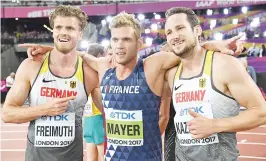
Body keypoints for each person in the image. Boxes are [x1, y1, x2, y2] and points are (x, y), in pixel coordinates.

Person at [20, 11, 243, 161]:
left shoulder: (153, 65)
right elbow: (72, 53)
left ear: (139, 43)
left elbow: (186, 49)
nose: (119, 46)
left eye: (126, 40)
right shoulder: (103, 68)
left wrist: (213, 44)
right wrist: (47, 48)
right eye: (115, 40)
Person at [164, 7, 266, 161]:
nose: (174, 36)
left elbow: (261, 112)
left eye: (180, 28)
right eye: (169, 32)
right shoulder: (171, 73)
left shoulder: (225, 65)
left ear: (197, 30)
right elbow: (164, 52)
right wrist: (209, 43)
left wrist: (215, 125)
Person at [2, 5, 101, 161]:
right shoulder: (31, 66)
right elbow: (7, 113)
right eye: (58, 27)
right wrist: (44, 109)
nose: (63, 32)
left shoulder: (89, 74)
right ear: (53, 31)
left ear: (80, 34)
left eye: (70, 28)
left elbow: (110, 111)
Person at [83, 43, 106, 161]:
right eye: (106, 54)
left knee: (91, 157)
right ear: (99, 55)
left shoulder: (84, 72)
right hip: (99, 118)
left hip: (87, 119)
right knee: (104, 156)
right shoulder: (97, 74)